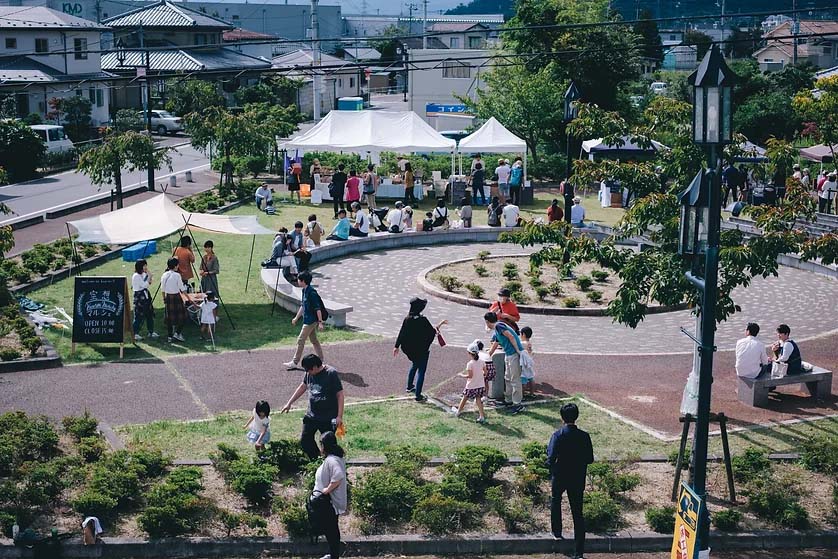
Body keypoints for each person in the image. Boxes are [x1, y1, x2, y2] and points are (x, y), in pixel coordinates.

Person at [547, 402, 594, 559]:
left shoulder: (558, 435)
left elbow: (551, 457)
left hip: (560, 475)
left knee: (556, 500)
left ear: (562, 418)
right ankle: (579, 551)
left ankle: (557, 531)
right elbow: (590, 459)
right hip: (577, 477)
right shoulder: (584, 436)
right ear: (576, 416)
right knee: (577, 512)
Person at [281, 354, 345, 460]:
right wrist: (289, 403)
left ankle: (332, 462)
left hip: (328, 417)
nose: (307, 372)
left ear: (315, 367)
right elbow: (303, 386)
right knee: (305, 440)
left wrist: (339, 416)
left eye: (308, 370)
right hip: (312, 415)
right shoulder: (309, 373)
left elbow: (340, 395)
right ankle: (316, 460)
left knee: (328, 444)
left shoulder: (331, 373)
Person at [393, 297, 447, 402]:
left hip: (410, 351)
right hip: (422, 350)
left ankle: (409, 386)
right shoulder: (423, 320)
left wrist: (396, 346)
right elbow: (432, 332)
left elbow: (402, 333)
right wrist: (440, 324)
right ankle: (418, 395)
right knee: (421, 371)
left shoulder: (407, 319)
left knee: (414, 365)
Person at [313, 431, 348, 559]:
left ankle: (334, 556)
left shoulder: (332, 460)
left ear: (324, 445)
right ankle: (333, 555)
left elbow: (338, 476)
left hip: (330, 502)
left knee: (331, 530)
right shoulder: (334, 459)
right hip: (329, 502)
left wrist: (327, 490)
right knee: (331, 529)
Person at [283, 271, 325, 370]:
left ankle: (294, 362)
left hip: (311, 321)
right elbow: (303, 306)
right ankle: (321, 360)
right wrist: (296, 318)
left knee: (300, 340)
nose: (297, 280)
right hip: (307, 320)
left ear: (303, 281)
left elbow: (317, 308)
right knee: (314, 340)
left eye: (298, 279)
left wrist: (320, 322)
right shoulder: (304, 291)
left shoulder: (312, 293)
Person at [485, 311, 524, 415]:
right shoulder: (497, 330)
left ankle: (517, 404)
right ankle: (508, 400)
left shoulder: (499, 326)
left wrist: (518, 350)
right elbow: (495, 344)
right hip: (508, 354)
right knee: (507, 377)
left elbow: (511, 336)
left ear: (487, 322)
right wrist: (487, 355)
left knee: (515, 379)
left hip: (513, 354)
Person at [449, 340, 487, 423]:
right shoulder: (482, 362)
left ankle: (458, 412)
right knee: (478, 399)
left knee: (465, 398)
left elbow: (470, 376)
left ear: (470, 353)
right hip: (480, 384)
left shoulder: (470, 364)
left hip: (471, 385)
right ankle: (482, 416)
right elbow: (485, 372)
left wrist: (461, 375)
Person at [161, 257, 187, 343]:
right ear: (176, 266)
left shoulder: (164, 275)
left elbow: (163, 289)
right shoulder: (177, 275)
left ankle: (170, 336)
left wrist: (164, 298)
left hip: (168, 297)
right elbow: (182, 289)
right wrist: (188, 298)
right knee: (182, 316)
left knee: (169, 318)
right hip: (176, 297)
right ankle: (177, 333)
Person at [131, 259, 158, 341]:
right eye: (144, 266)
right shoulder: (136, 276)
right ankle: (135, 333)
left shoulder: (142, 274)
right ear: (140, 266)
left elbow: (149, 282)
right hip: (140, 296)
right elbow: (144, 285)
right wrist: (149, 277)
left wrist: (148, 274)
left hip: (145, 295)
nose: (146, 267)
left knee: (149, 314)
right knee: (139, 315)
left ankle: (151, 331)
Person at [520, 326, 535, 398]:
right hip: (530, 362)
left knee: (523, 380)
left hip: (524, 364)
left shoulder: (522, 343)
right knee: (531, 378)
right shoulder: (530, 343)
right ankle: (532, 393)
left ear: (523, 335)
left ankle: (522, 395)